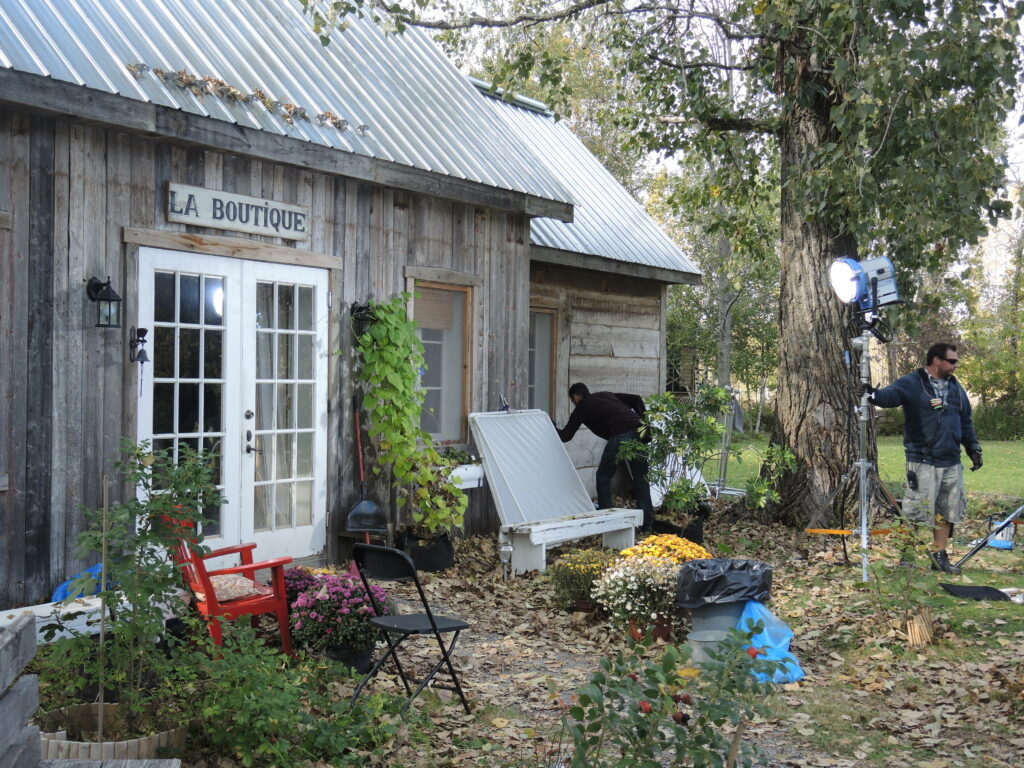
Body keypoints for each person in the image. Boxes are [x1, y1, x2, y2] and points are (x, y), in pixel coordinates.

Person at [868, 343, 982, 574]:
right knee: (916, 512)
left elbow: (965, 421)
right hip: (922, 461)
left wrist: (973, 449)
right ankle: (907, 557)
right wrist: (873, 394)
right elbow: (889, 397)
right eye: (952, 361)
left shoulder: (955, 388)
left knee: (946, 512)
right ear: (936, 361)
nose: (955, 365)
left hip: (951, 461)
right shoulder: (912, 382)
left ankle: (939, 557)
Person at [554, 382, 655, 530]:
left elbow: (566, 436)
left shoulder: (582, 407)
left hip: (620, 435)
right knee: (641, 479)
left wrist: (550, 424)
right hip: (639, 431)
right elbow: (636, 399)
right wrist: (644, 423)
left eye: (572, 401)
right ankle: (647, 525)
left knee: (603, 477)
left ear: (575, 397)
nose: (574, 403)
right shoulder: (606, 395)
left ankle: (608, 522)